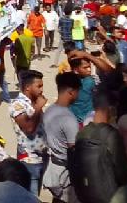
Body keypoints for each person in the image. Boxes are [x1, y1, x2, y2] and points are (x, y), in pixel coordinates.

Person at [70, 85, 127, 203]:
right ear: (111, 109)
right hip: (109, 195)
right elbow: (122, 171)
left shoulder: (82, 133)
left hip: (85, 194)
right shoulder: (111, 135)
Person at [42, 73, 82, 203]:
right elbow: (73, 151)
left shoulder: (49, 110)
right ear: (71, 92)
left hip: (52, 170)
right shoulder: (68, 118)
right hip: (65, 175)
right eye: (78, 91)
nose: (79, 95)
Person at [9, 69, 47, 195]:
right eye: (39, 86)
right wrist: (38, 107)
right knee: (31, 197)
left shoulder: (35, 102)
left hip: (42, 156)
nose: (41, 90)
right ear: (27, 87)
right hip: (29, 159)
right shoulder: (17, 105)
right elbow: (28, 128)